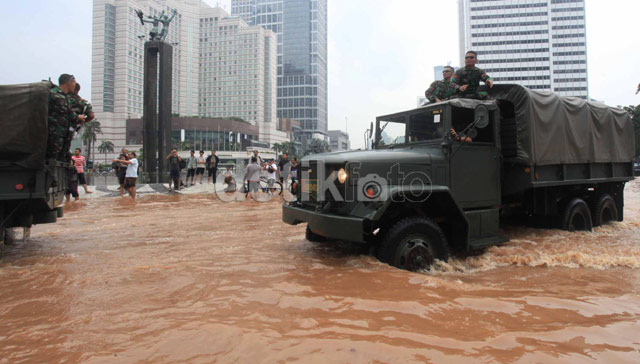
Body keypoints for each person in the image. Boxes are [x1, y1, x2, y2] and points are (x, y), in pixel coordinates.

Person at [47, 74, 85, 160]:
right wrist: (78, 117)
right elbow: (66, 112)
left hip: (63, 134)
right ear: (68, 82)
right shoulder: (54, 94)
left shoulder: (66, 97)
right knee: (52, 157)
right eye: (74, 82)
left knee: (61, 157)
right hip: (54, 133)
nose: (75, 85)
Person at [63, 83, 94, 160]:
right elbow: (91, 116)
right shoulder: (83, 103)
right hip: (71, 129)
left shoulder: (62, 99)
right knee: (65, 147)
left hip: (56, 128)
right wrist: (81, 121)